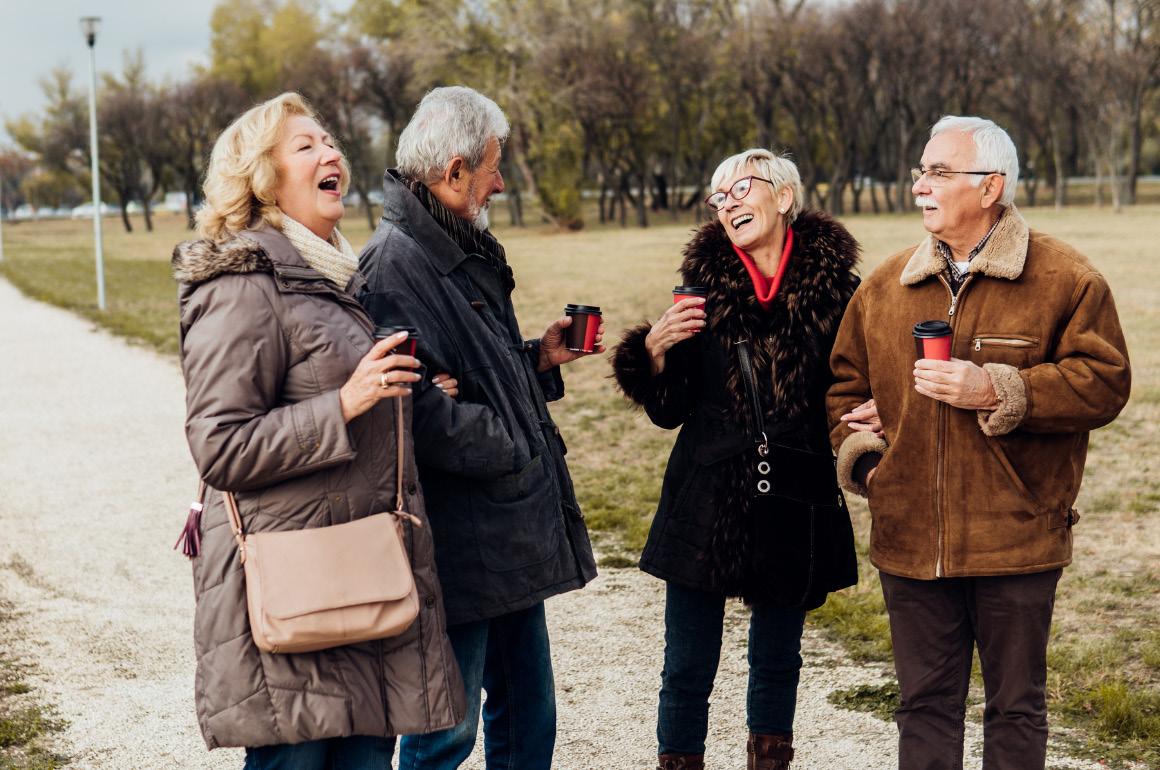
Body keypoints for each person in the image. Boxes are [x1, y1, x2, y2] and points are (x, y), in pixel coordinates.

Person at [827, 116, 1131, 770]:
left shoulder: (1065, 278)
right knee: (924, 708)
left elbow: (1104, 383)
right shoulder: (884, 287)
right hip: (910, 541)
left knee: (1016, 708)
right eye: (921, 172)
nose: (919, 185)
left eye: (938, 172)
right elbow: (843, 390)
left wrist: (997, 388)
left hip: (1015, 539)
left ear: (991, 186)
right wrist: (872, 465)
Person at [173, 92, 466, 768]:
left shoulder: (334, 276)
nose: (330, 152)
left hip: (363, 574)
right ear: (262, 177)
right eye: (305, 145)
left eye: (329, 140)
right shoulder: (242, 282)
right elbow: (220, 445)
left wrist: (405, 396)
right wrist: (346, 403)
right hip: (299, 590)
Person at [356, 86, 599, 769]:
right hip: (457, 542)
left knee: (528, 713)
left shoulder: (460, 246)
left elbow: (471, 372)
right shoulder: (392, 264)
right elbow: (408, 408)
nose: (500, 183)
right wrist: (511, 443)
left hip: (505, 526)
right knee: (446, 732)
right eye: (493, 168)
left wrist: (537, 359)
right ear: (454, 170)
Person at [611, 148, 861, 770]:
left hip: (797, 491)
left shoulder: (841, 291)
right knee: (687, 663)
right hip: (707, 494)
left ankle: (769, 759)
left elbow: (858, 383)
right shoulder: (699, 291)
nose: (728, 204)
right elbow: (669, 411)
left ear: (784, 196)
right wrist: (654, 353)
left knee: (778, 658)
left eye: (741, 189)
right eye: (718, 197)